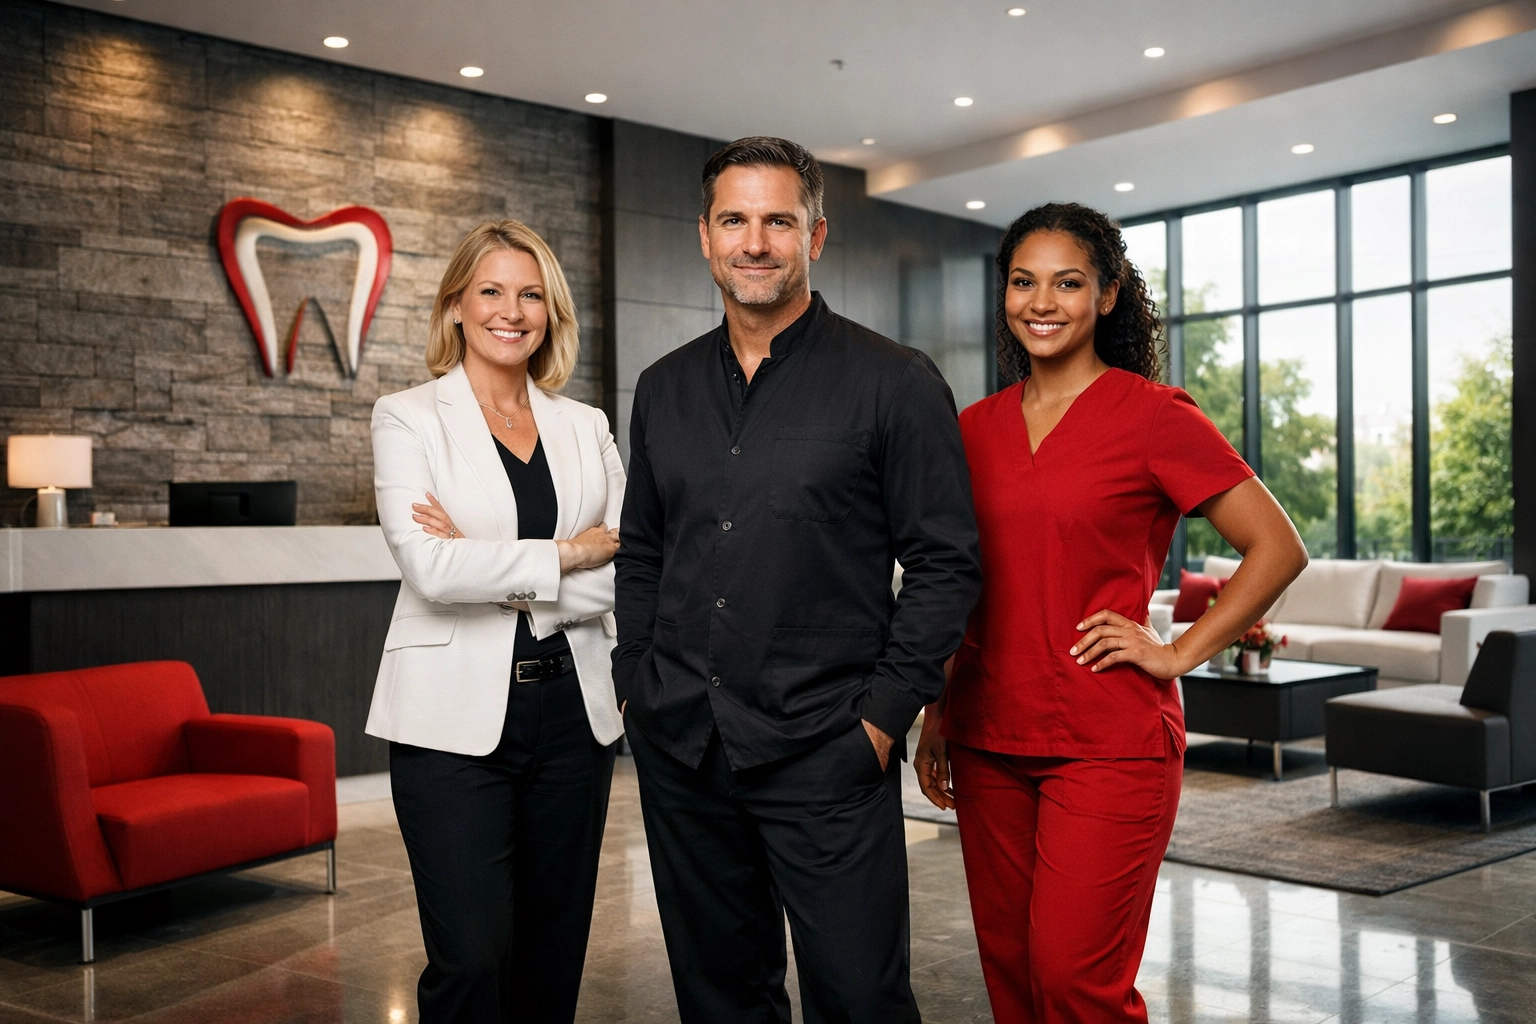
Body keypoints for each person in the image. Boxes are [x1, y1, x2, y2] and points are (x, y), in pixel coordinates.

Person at [613, 136, 982, 1023]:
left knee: (860, 1000)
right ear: (703, 236)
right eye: (734, 220)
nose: (755, 242)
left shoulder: (894, 382)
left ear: (816, 237)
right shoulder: (663, 388)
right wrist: (636, 685)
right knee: (719, 997)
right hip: (685, 747)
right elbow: (643, 551)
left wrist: (884, 718)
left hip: (827, 747)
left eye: (778, 220)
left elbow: (945, 561)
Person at [913, 202, 1308, 1024]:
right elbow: (956, 580)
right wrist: (939, 712)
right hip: (988, 735)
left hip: (1107, 743)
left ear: (1109, 295)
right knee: (1014, 981)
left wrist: (1176, 652)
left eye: (1068, 282)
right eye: (1024, 282)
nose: (1042, 302)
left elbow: (1276, 546)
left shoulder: (1156, 415)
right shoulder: (972, 429)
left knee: (1074, 982)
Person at [367, 220, 625, 1023]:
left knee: (552, 957)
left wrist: (501, 563)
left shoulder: (586, 426)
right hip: (448, 729)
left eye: (531, 294)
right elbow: (431, 570)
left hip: (573, 718)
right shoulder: (408, 416)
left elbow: (628, 567)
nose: (511, 311)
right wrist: (565, 555)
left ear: (550, 312)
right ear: (454, 307)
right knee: (472, 957)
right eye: (491, 291)